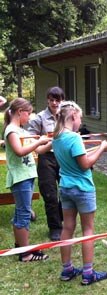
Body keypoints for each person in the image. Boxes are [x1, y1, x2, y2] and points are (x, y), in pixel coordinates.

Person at [52, 101, 107, 285]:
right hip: (82, 189)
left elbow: (79, 158)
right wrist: (102, 148)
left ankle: (67, 270)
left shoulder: (56, 138)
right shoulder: (74, 137)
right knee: (88, 229)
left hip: (65, 188)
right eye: (80, 117)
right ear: (73, 116)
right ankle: (88, 274)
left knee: (67, 228)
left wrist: (101, 148)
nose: (80, 121)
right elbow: (85, 164)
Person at [3, 98, 51, 262]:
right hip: (20, 177)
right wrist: (39, 140)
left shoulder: (22, 130)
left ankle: (21, 246)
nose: (29, 117)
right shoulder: (12, 131)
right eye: (28, 113)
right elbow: (19, 151)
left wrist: (51, 141)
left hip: (27, 176)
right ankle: (26, 254)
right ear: (19, 112)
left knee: (20, 213)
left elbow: (40, 149)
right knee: (23, 214)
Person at [27, 86, 65, 241]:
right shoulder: (39, 118)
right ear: (48, 100)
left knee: (66, 191)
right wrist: (42, 140)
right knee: (49, 194)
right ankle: (55, 227)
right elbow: (29, 137)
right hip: (46, 158)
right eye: (52, 100)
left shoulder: (65, 116)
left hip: (63, 157)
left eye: (58, 100)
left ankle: (62, 219)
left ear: (62, 100)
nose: (55, 103)